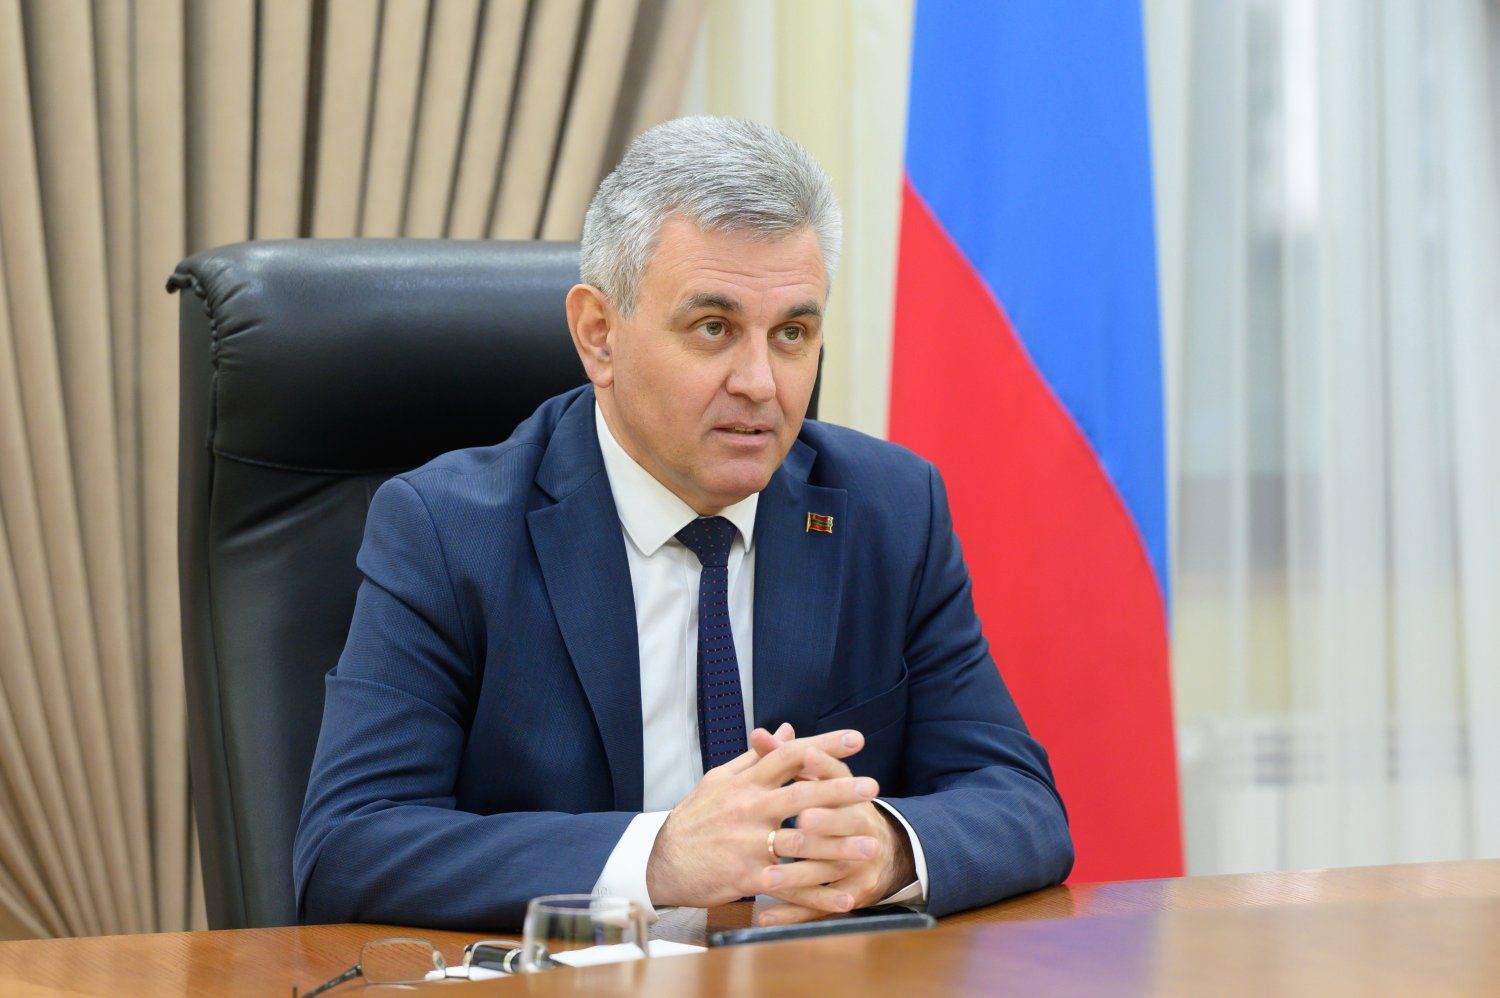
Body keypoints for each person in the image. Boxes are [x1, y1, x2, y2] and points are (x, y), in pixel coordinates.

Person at [293, 116, 1072, 931]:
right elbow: (349, 846)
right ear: (599, 336)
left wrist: (888, 848)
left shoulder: (889, 511)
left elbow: (1021, 802)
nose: (760, 383)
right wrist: (658, 857)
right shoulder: (448, 531)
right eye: (714, 329)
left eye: (792, 334)